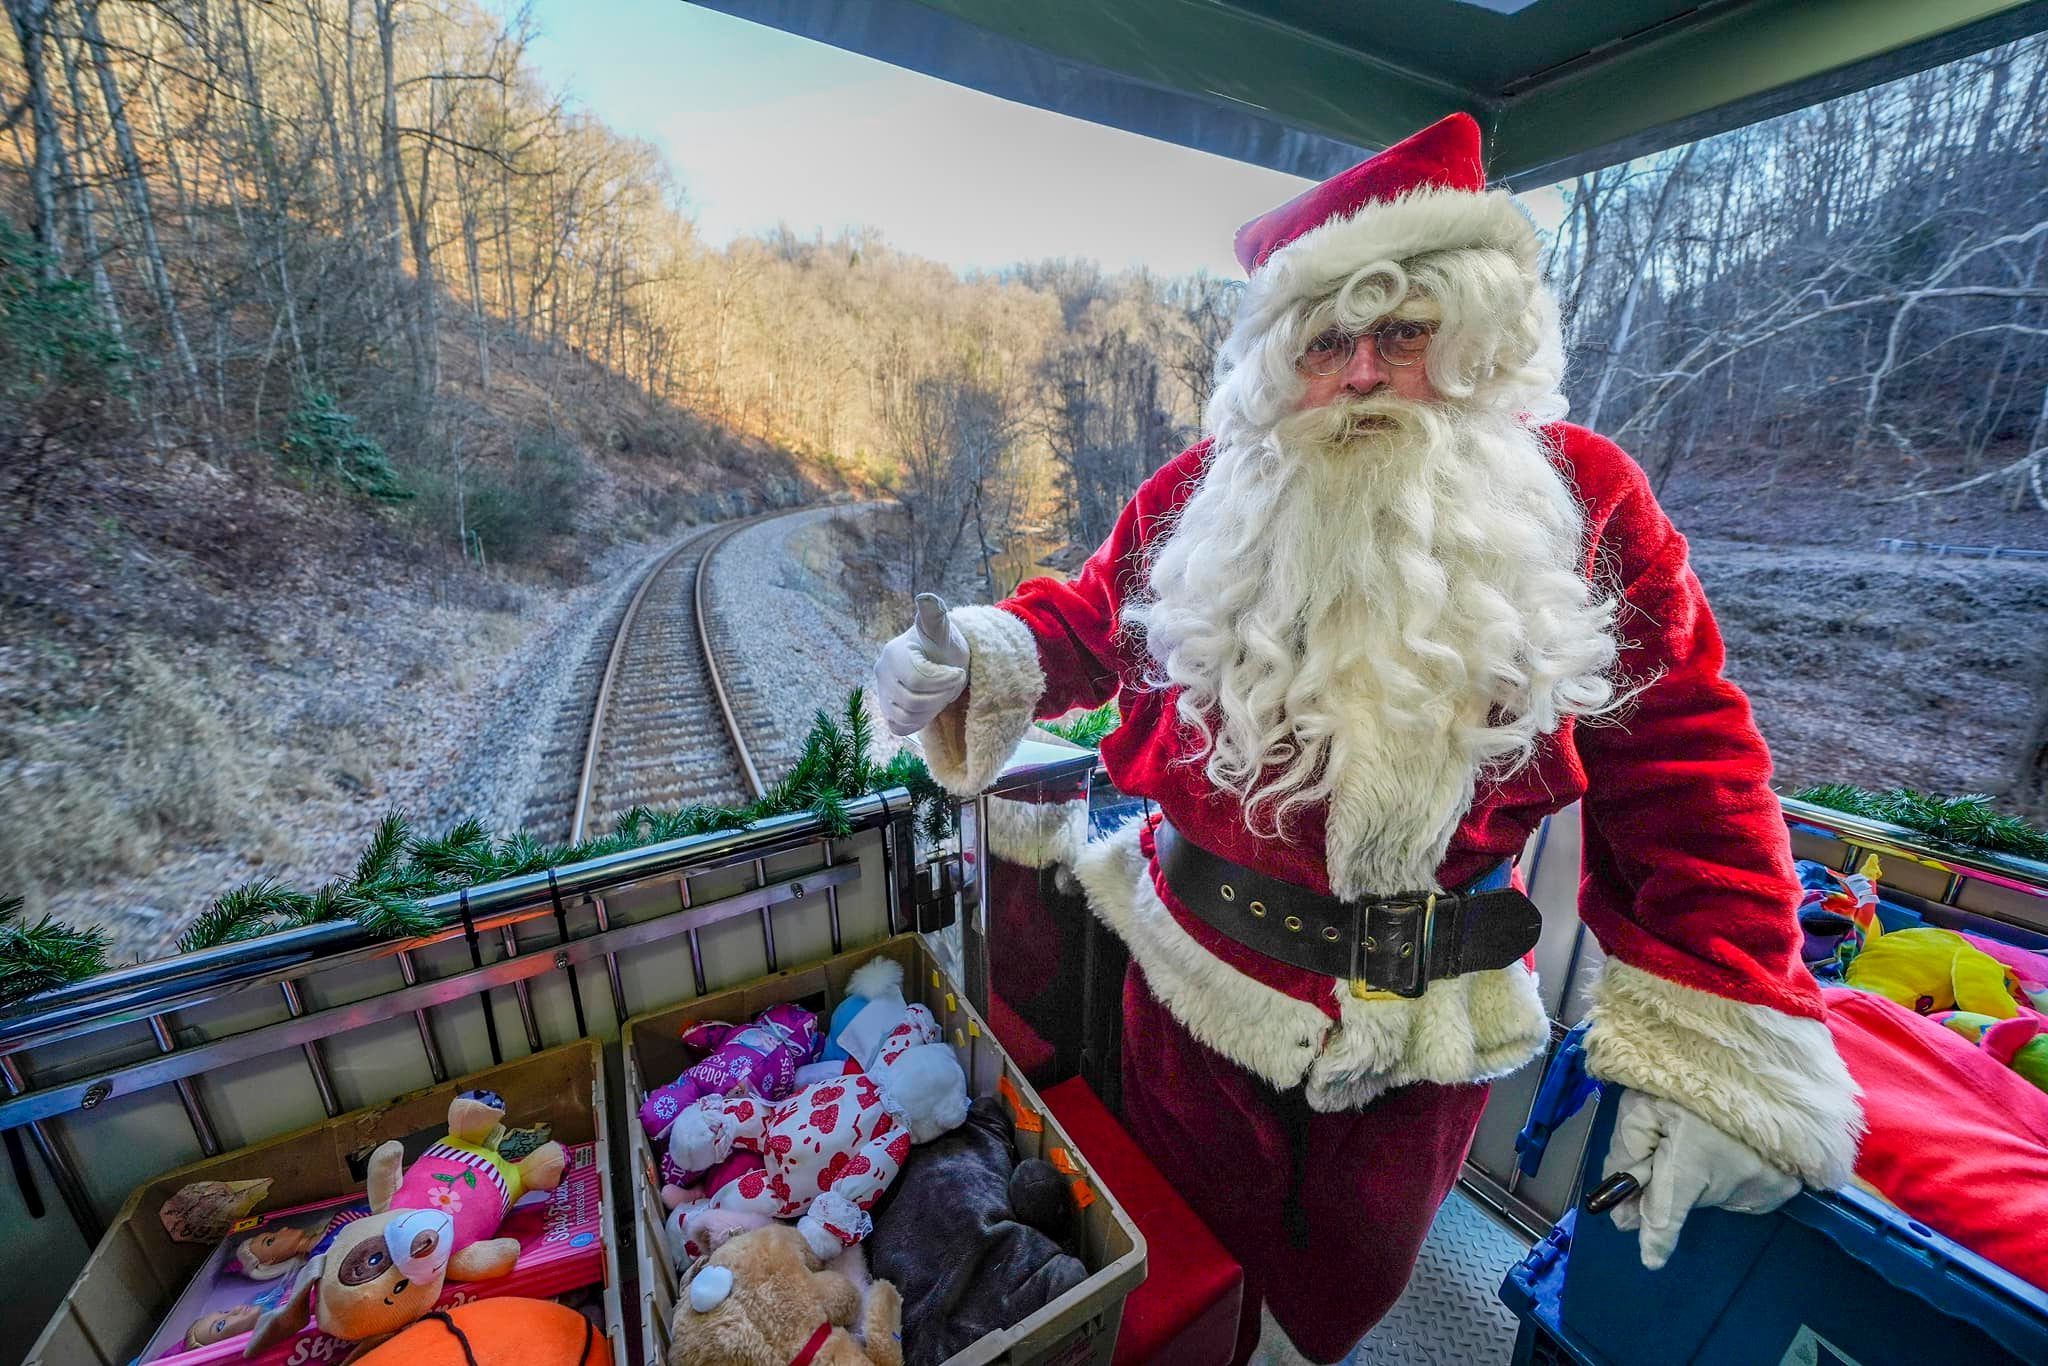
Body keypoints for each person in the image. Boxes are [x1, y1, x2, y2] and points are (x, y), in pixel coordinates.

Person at [873, 113, 1860, 1365]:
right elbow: (1091, 620)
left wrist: (1726, 1040)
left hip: (1424, 1031)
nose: (1356, 374)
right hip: (1190, 992)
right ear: (1282, 361)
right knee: (1194, 1284)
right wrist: (974, 651)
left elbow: (1690, 774)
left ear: (1475, 337)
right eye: (1326, 341)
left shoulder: (1582, 500)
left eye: (1401, 333)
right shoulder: (1204, 493)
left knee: (1338, 1299)